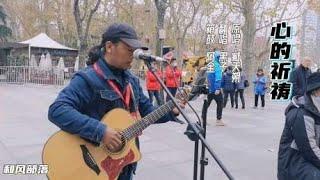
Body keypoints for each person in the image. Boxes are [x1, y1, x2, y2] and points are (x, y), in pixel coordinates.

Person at [48, 23, 183, 180]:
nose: (133, 54)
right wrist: (101, 132)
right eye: (129, 49)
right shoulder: (88, 78)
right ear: (110, 46)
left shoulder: (132, 80)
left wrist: (170, 111)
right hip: (94, 167)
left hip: (123, 165)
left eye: (134, 50)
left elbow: (148, 112)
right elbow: (57, 110)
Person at [277, 72, 320, 180]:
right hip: (295, 163)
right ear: (316, 91)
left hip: (310, 158)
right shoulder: (301, 113)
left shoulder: (316, 107)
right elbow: (309, 149)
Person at [206, 50, 225, 126]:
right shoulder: (217, 65)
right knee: (220, 103)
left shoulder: (210, 65)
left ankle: (203, 118)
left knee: (206, 104)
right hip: (215, 89)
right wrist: (217, 88)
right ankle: (218, 120)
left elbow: (208, 77)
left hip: (209, 88)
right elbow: (218, 77)